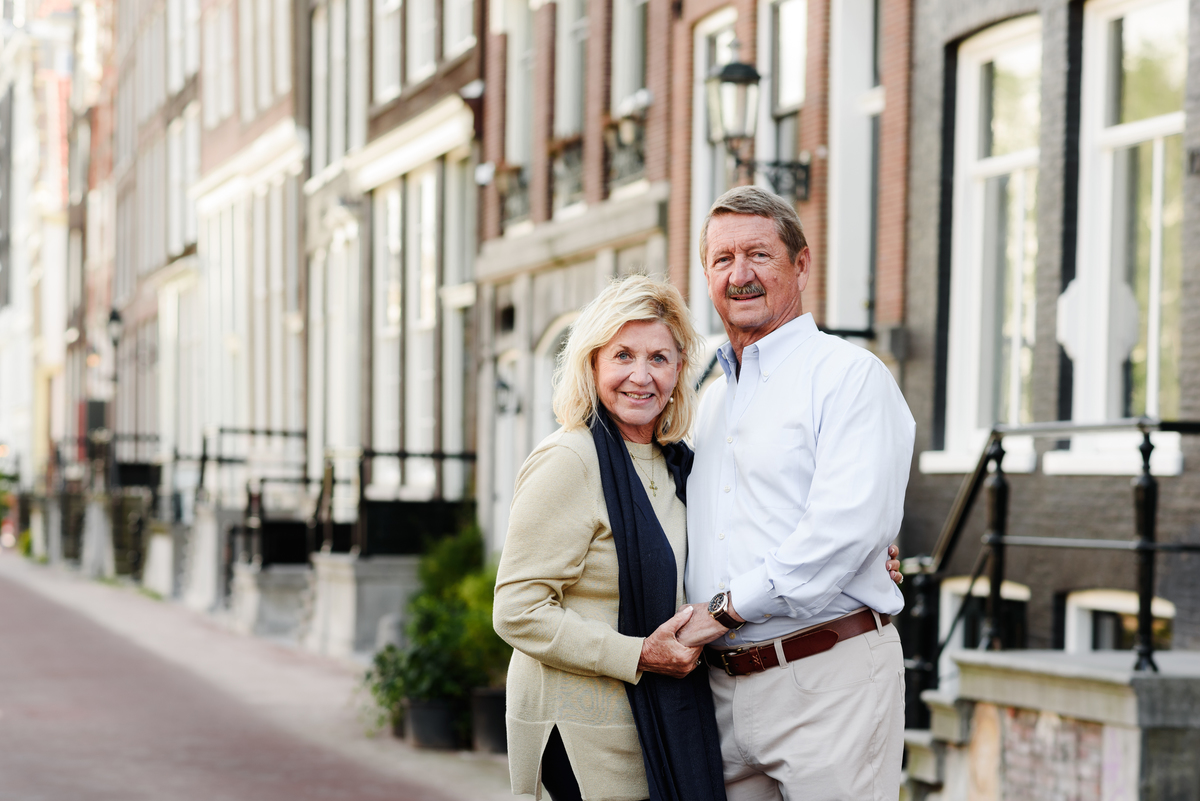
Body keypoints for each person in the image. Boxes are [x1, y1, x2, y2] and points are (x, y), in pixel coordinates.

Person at [675, 185, 915, 801]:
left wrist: (722, 611)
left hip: (828, 681)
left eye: (758, 255)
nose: (740, 274)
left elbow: (844, 528)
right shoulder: (710, 402)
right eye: (722, 259)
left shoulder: (848, 376)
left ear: (801, 264)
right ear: (706, 274)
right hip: (720, 689)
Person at [492, 275, 727, 801]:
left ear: (678, 371)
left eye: (659, 359)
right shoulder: (569, 460)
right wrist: (639, 653)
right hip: (582, 733)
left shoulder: (680, 466)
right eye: (623, 355)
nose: (640, 377)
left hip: (655, 726)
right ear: (592, 362)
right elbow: (517, 610)